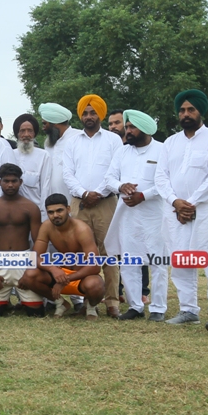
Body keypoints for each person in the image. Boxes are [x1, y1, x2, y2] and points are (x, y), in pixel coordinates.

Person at [154, 89, 208, 325]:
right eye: (182, 110)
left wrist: (191, 202)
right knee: (180, 259)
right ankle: (188, 310)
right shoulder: (170, 142)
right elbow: (160, 176)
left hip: (205, 210)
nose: (186, 114)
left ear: (200, 111)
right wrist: (175, 202)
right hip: (175, 211)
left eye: (191, 109)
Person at [60, 94, 123, 317]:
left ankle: (112, 302)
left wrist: (99, 193)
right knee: (80, 253)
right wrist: (85, 193)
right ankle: (86, 301)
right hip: (79, 203)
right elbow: (67, 173)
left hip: (106, 202)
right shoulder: (71, 142)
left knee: (109, 253)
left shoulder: (113, 140)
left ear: (100, 115)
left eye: (93, 112)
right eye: (85, 113)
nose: (89, 116)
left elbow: (116, 171)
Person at [103, 110, 167, 321]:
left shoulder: (162, 150)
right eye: (127, 127)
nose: (128, 131)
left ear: (146, 129)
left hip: (154, 215)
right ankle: (135, 307)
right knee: (129, 261)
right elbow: (109, 178)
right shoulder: (122, 152)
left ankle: (158, 308)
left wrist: (144, 196)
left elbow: (166, 182)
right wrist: (121, 186)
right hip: (127, 215)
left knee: (157, 261)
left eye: (132, 127)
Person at [22, 194, 106, 317]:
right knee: (29, 275)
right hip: (60, 274)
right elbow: (35, 256)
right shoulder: (46, 226)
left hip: (81, 277)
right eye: (51, 212)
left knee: (95, 285)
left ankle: (90, 306)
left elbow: (95, 266)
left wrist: (66, 279)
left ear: (68, 209)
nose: (55, 215)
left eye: (59, 210)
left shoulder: (82, 229)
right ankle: (60, 303)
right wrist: (53, 269)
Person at [0, 165, 44, 316]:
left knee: (35, 313)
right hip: (0, 260)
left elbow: (38, 242)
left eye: (14, 181)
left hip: (24, 259)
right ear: (0, 182)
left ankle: (25, 301)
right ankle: (6, 302)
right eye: (6, 181)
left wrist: (30, 272)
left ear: (20, 182)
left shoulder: (31, 207)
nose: (10, 185)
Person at [12, 113, 51, 220]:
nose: (26, 134)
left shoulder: (43, 155)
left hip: (36, 213)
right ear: (17, 133)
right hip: (14, 214)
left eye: (30, 131)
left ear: (34, 133)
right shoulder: (10, 154)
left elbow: (46, 188)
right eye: (22, 131)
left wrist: (43, 217)